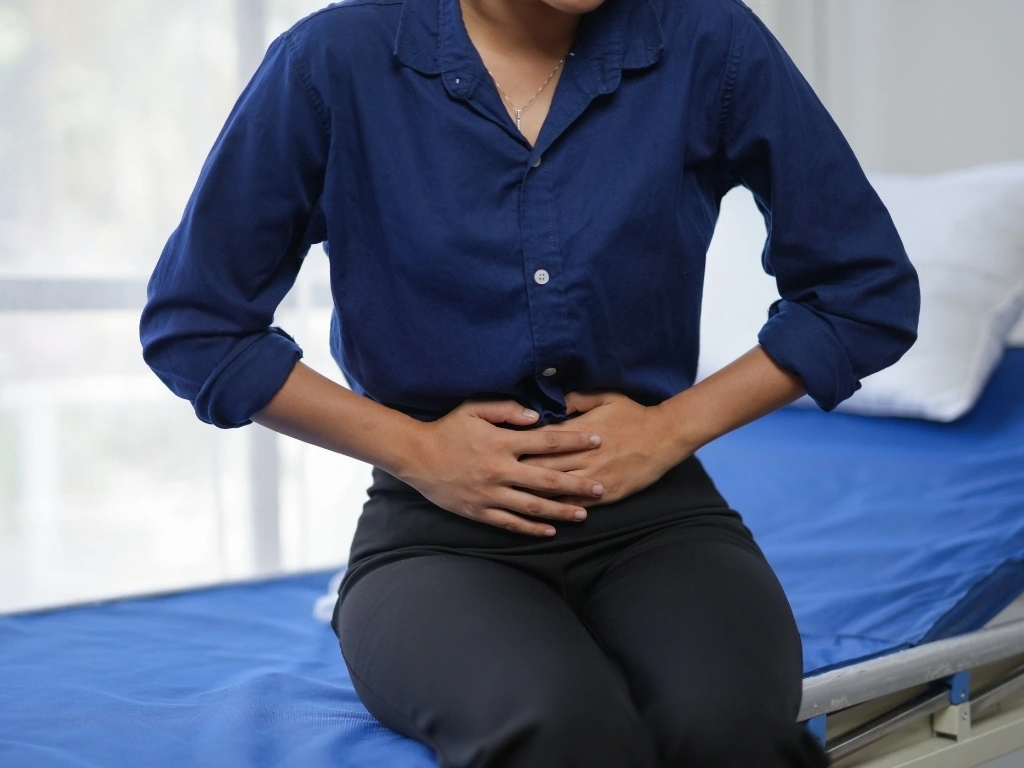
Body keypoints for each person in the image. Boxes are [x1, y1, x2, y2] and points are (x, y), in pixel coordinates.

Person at [140, 0, 920, 765]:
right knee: (559, 729)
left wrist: (669, 429)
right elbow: (197, 327)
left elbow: (863, 294)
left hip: (656, 521)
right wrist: (419, 450)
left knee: (727, 730)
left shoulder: (711, 40)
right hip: (435, 537)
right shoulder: (332, 60)